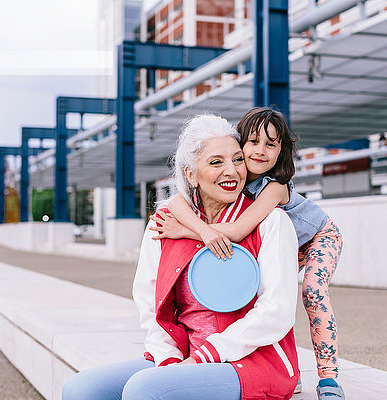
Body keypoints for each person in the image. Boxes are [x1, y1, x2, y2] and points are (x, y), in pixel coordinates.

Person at [62, 114, 300, 400]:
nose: (232, 171)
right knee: (80, 389)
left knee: (145, 390)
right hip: (184, 355)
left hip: (253, 362)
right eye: (215, 162)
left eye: (238, 160)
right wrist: (169, 361)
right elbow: (149, 302)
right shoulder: (164, 223)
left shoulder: (270, 222)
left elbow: (277, 311)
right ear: (190, 174)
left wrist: (204, 358)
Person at [152, 107, 345, 399]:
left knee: (311, 292)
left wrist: (191, 232)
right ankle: (288, 369)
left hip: (319, 237)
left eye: (271, 144)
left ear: (281, 151)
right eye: (252, 142)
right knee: (265, 292)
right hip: (292, 240)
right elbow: (175, 204)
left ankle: (328, 378)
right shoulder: (239, 180)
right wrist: (200, 227)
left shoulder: (275, 188)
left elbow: (239, 230)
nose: (260, 151)